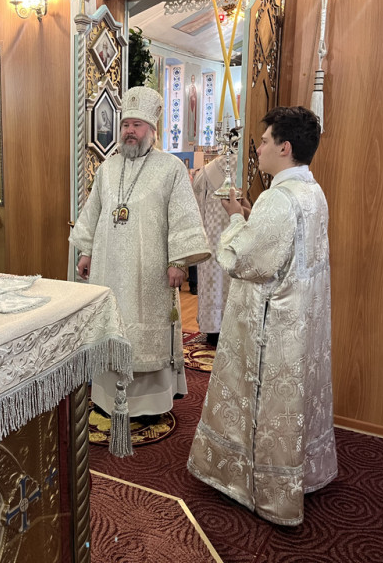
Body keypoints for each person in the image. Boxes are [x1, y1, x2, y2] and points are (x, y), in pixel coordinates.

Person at [187, 106, 336, 526]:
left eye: (266, 141)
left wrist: (236, 218)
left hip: (273, 328)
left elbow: (240, 260)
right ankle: (299, 473)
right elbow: (283, 249)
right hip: (300, 322)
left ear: (284, 147)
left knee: (266, 407)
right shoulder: (312, 192)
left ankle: (264, 488)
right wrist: (253, 220)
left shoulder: (278, 198)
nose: (260, 149)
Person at [70, 86, 211, 420]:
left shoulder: (170, 168)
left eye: (137, 125)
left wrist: (178, 261)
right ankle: (107, 398)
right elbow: (94, 212)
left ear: (152, 129)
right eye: (125, 125)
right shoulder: (108, 168)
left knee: (146, 332)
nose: (129, 131)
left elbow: (182, 216)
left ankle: (150, 405)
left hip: (149, 272)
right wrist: (86, 251)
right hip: (108, 270)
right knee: (110, 329)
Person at [191, 155, 233, 345]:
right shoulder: (254, 165)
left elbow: (197, 208)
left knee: (214, 281)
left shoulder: (207, 171)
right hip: (238, 237)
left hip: (213, 237)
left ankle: (213, 328)